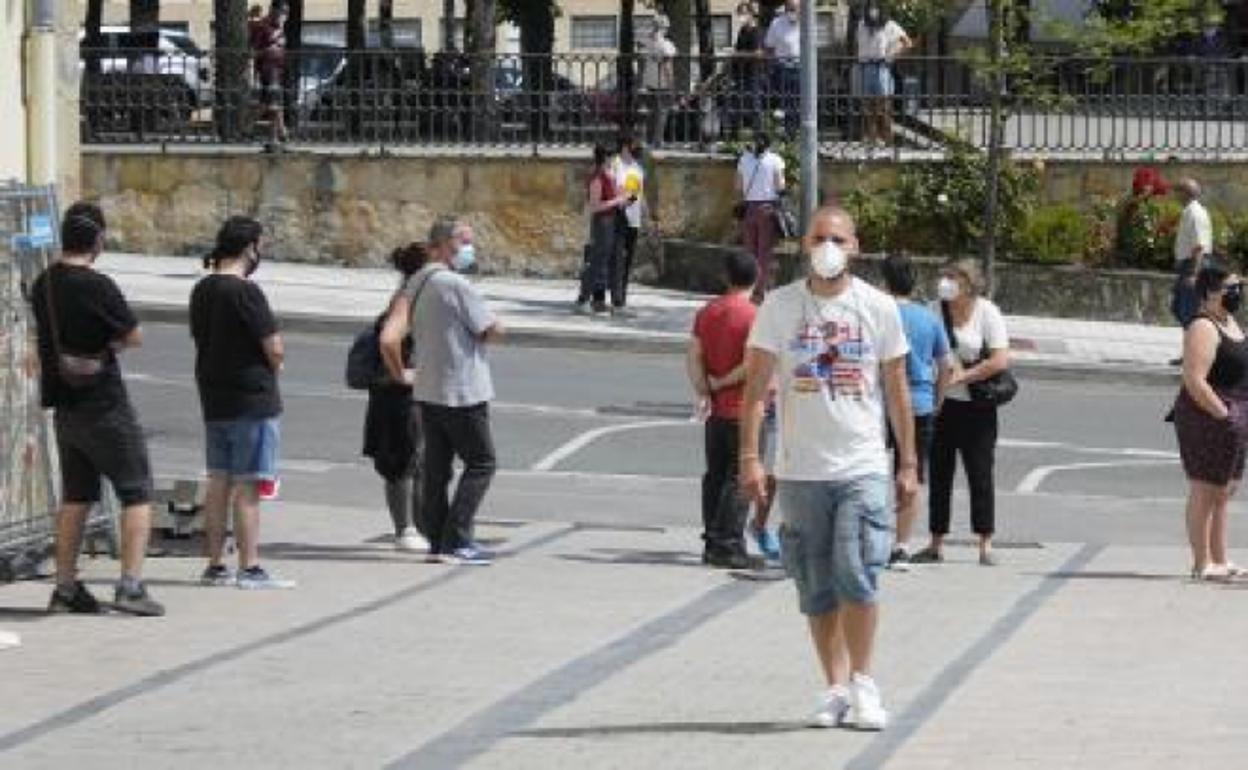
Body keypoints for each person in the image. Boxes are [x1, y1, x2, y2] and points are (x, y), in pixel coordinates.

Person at [741, 206, 917, 731]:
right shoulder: (778, 307)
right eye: (819, 237)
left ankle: (864, 683)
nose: (828, 247)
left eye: (838, 238)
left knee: (857, 574)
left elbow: (897, 390)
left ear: (855, 246)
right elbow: (755, 390)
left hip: (861, 464)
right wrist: (750, 457)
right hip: (800, 470)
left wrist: (908, 463)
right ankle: (835, 687)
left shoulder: (878, 308)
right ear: (804, 245)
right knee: (815, 584)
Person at [31, 203, 164, 616]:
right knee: (137, 492)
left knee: (76, 497)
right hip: (104, 404)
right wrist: (110, 345)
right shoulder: (99, 286)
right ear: (97, 240)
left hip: (64, 407)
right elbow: (133, 335)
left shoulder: (44, 283)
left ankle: (65, 587)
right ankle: (130, 587)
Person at [380, 218, 503, 565]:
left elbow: (390, 336)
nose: (469, 248)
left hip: (428, 388)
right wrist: (498, 327)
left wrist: (401, 374)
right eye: (464, 241)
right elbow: (489, 329)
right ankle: (457, 539)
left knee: (437, 469)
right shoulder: (454, 283)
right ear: (446, 243)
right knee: (482, 463)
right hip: (462, 389)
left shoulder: (418, 280)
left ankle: (437, 540)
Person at [191, 216, 294, 590]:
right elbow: (273, 347)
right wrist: (276, 364)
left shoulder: (202, 289)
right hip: (251, 399)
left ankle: (215, 565)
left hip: (214, 396)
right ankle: (249, 567)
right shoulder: (247, 292)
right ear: (250, 248)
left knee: (218, 482)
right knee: (249, 485)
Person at [912, 259, 1010, 567]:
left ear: (969, 283)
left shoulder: (986, 311)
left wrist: (962, 377)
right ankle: (935, 542)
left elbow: (1000, 360)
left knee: (980, 474)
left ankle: (985, 543)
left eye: (953, 277)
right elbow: (921, 351)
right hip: (941, 405)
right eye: (944, 276)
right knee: (939, 475)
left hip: (977, 408)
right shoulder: (933, 310)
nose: (945, 282)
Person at [688, 251, 766, 570]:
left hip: (717, 410)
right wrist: (722, 383)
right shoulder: (755, 315)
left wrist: (704, 389)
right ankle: (729, 544)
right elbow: (752, 365)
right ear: (756, 277)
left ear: (726, 277)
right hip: (744, 407)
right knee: (739, 476)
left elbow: (694, 356)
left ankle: (712, 540)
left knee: (715, 476)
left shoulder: (707, 311)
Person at [1171, 263, 1248, 581]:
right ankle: (1202, 564)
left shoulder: (1230, 322)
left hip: (1236, 414)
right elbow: (1194, 379)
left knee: (1224, 491)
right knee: (1205, 487)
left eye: (1240, 287)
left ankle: (1220, 560)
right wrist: (1223, 415)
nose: (1238, 293)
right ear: (1210, 293)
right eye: (1231, 288)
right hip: (1207, 414)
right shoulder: (1203, 326)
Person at [880, 254, 952, 569]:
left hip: (879, 403)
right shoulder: (929, 318)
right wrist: (938, 400)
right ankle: (901, 546)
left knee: (866, 470)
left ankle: (864, 537)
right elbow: (945, 366)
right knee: (910, 472)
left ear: (884, 282)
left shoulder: (879, 314)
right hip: (919, 403)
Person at [364, 243, 433, 553]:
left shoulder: (413, 296)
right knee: (402, 461)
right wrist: (402, 375)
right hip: (398, 396)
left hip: (407, 394)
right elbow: (389, 341)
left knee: (417, 461)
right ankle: (406, 529)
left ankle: (420, 527)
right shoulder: (406, 300)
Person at [577, 144, 632, 314]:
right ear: (605, 158)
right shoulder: (597, 178)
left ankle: (618, 303)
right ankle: (583, 299)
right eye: (613, 156)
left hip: (616, 221)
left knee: (617, 261)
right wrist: (617, 201)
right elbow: (595, 206)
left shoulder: (611, 175)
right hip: (603, 222)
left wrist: (625, 199)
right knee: (598, 260)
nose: (616, 159)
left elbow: (616, 198)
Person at [735, 133, 786, 302]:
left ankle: (747, 288)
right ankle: (760, 291)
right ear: (769, 144)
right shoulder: (775, 160)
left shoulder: (744, 160)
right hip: (767, 208)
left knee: (749, 251)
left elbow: (738, 186)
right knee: (764, 252)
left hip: (749, 208)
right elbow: (780, 186)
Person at [856, 2, 912, 147]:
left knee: (884, 106)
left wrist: (892, 56)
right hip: (865, 67)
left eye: (876, 7)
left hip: (881, 67)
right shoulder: (862, 24)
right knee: (868, 106)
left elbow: (907, 42)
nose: (873, 10)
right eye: (870, 7)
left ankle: (888, 140)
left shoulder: (889, 25)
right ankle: (872, 138)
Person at [1172, 178, 1214, 341]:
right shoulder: (1189, 211)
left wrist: (1194, 274)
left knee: (1189, 311)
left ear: (1185, 193)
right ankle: (1190, 347)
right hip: (1188, 264)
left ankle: (1195, 348)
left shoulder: (1195, 214)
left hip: (1193, 265)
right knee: (1180, 308)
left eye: (1177, 191)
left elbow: (1199, 246)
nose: (1175, 195)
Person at [611, 136, 649, 312]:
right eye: (635, 145)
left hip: (633, 220)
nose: (638, 149)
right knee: (617, 258)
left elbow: (639, 193)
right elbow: (614, 189)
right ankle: (615, 298)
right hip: (618, 216)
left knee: (627, 260)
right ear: (625, 147)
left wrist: (644, 213)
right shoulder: (615, 164)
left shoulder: (638, 168)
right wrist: (626, 199)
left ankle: (622, 298)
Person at [250, 1, 288, 145]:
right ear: (273, 10)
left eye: (286, 13)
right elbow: (253, 52)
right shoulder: (262, 27)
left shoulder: (279, 28)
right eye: (282, 11)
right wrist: (266, 51)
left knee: (272, 102)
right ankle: (276, 135)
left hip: (278, 69)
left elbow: (280, 47)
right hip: (268, 70)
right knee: (271, 104)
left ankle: (281, 133)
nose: (284, 15)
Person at [764, 0, 801, 136]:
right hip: (782, 67)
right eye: (790, 8)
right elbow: (769, 46)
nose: (793, 12)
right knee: (784, 101)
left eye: (795, 8)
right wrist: (772, 63)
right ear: (785, 9)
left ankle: (795, 132)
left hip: (801, 68)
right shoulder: (777, 23)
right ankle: (786, 132)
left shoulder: (807, 22)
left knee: (798, 101)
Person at [640, 15, 678, 148]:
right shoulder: (666, 45)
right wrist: (672, 85)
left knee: (651, 114)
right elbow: (668, 66)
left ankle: (649, 141)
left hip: (649, 82)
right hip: (662, 83)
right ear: (664, 27)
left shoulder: (647, 42)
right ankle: (658, 142)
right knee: (662, 113)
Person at [731, 2, 764, 135]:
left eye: (743, 13)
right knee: (738, 103)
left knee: (754, 104)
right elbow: (738, 49)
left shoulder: (756, 31)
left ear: (751, 14)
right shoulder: (742, 31)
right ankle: (735, 133)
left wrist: (738, 54)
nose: (741, 17)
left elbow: (758, 53)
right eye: (739, 14)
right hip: (740, 73)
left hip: (753, 74)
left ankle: (759, 133)